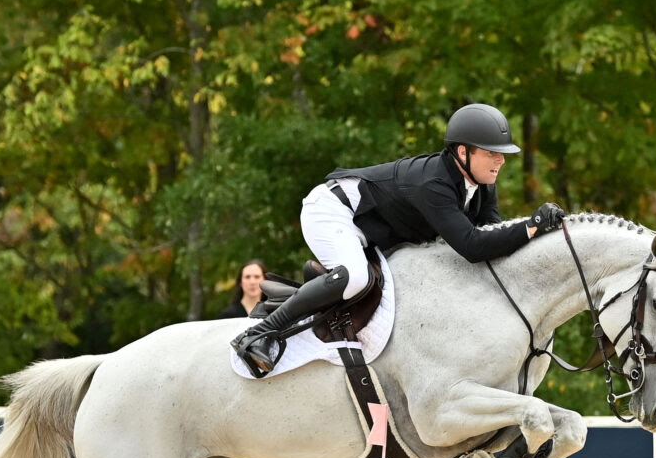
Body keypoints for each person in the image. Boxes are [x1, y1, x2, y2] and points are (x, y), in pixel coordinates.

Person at [230, 102, 566, 376]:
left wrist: (536, 231)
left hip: (369, 229)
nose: (501, 160)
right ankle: (258, 334)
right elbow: (472, 248)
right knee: (356, 278)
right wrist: (531, 226)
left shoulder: (481, 186)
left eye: (501, 153)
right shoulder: (432, 184)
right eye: (492, 153)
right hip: (333, 210)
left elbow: (492, 236)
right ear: (463, 152)